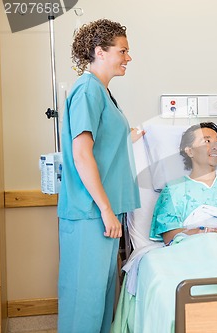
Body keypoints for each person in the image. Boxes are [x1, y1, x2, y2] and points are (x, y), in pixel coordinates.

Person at [57, 19, 143, 333]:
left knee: (102, 301)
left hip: (103, 211)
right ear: (100, 52)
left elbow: (101, 143)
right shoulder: (87, 90)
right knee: (85, 301)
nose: (128, 58)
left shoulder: (101, 92)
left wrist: (128, 137)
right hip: (91, 212)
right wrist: (106, 210)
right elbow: (81, 153)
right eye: (123, 51)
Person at [149, 122, 217, 245]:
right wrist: (209, 233)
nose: (215, 146)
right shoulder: (173, 190)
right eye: (207, 141)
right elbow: (169, 236)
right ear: (190, 151)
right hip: (198, 247)